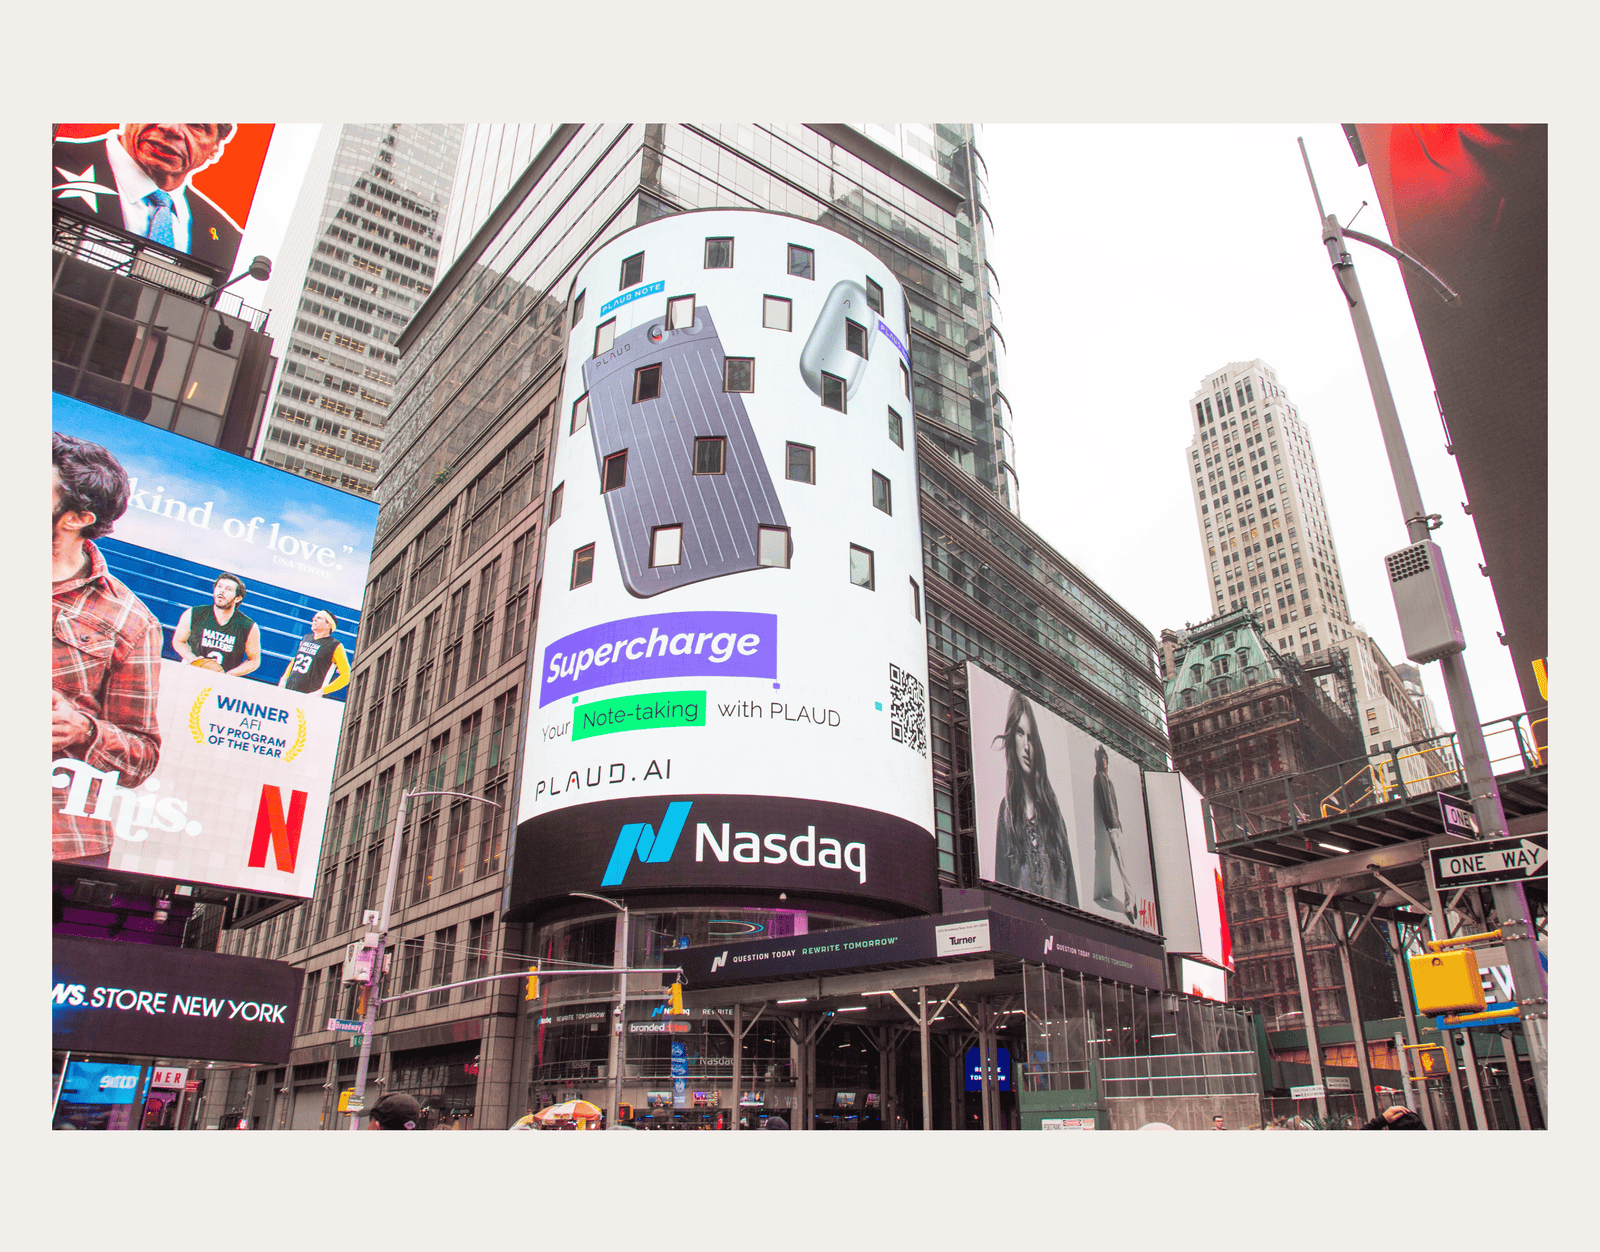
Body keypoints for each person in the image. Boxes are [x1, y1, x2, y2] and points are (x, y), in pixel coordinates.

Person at [52, 433, 162, 866]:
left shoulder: (131, 620)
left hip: (57, 844)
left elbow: (141, 758)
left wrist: (82, 729)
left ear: (77, 518)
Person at [53, 125, 243, 272]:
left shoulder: (226, 239)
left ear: (215, 148)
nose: (171, 127)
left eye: (196, 124)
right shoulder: (54, 158)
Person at [992, 690, 1076, 906]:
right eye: (1020, 733)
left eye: (1031, 737)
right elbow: (1001, 889)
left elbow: (1071, 890)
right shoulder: (1007, 813)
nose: (1026, 747)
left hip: (1059, 926)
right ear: (1012, 738)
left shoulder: (1052, 810)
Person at [173, 573, 261, 677]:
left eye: (228, 589)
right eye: (219, 586)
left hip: (222, 680)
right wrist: (193, 659)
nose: (222, 591)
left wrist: (230, 674)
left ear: (237, 598)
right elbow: (178, 641)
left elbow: (254, 660)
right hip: (191, 673)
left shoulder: (248, 626)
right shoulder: (194, 613)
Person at [1091, 745, 1138, 923]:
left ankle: (1130, 899)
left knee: (1124, 864)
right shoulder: (1099, 779)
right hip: (1111, 827)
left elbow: (1113, 804)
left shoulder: (1109, 780)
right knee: (1121, 865)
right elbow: (1104, 805)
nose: (1103, 761)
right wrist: (1111, 825)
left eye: (1105, 759)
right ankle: (1130, 903)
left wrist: (1119, 825)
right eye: (1101, 759)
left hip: (1117, 826)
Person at [279, 609, 351, 696]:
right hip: (289, 690)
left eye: (319, 618)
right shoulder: (306, 638)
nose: (314, 619)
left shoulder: (335, 645)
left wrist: (321, 692)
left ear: (328, 625)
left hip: (311, 696)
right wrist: (284, 679)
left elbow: (346, 676)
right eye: (314, 617)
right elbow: (295, 660)